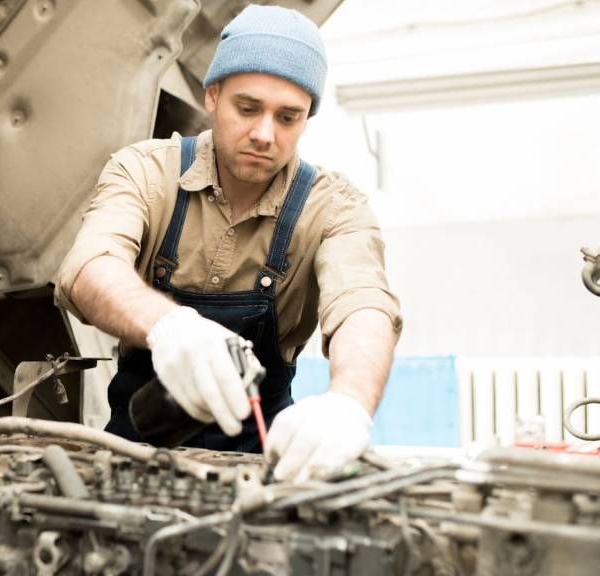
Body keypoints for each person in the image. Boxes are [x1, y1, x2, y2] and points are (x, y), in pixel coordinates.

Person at [56, 5, 402, 483]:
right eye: (248, 108)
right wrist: (168, 326)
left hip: (259, 473)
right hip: (130, 462)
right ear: (213, 95)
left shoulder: (335, 208)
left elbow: (363, 306)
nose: (264, 133)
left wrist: (349, 403)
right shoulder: (144, 172)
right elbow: (89, 266)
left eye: (288, 117)